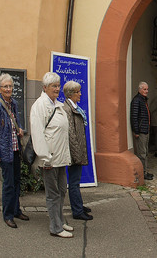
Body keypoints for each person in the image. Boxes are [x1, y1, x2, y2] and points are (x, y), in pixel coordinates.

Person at [31, 72, 74, 238]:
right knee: (53, 194)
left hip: (61, 158)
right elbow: (37, 133)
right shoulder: (40, 105)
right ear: (45, 88)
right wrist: (45, 157)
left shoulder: (58, 104)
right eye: (53, 86)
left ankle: (59, 219)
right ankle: (55, 227)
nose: (57, 89)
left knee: (62, 190)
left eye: (58, 86)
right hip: (49, 159)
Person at [0, 73, 28, 229]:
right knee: (8, 184)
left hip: (15, 149)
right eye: (5, 86)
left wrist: (19, 130)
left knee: (17, 181)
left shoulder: (14, 103)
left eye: (10, 86)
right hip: (4, 152)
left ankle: (16, 210)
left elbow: (13, 124)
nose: (9, 89)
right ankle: (8, 215)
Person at [62, 81, 93, 221]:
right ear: (71, 94)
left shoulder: (74, 107)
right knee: (74, 182)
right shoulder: (67, 109)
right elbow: (71, 135)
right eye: (78, 92)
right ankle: (77, 210)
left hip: (77, 150)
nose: (80, 94)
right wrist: (77, 155)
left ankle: (79, 204)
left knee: (76, 181)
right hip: (74, 152)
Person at [130, 82, 155, 180]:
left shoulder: (143, 100)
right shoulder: (137, 100)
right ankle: (142, 173)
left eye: (147, 89)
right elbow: (134, 117)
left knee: (145, 152)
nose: (146, 91)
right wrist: (136, 131)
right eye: (144, 89)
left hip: (146, 129)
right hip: (141, 131)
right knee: (142, 153)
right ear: (140, 90)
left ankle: (145, 171)